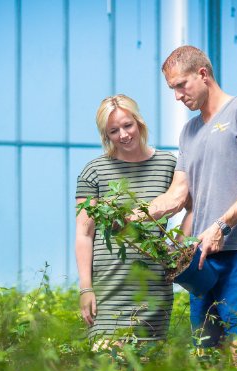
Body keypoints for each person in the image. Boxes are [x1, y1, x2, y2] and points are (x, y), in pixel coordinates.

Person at [146, 46, 237, 371]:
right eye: (172, 89)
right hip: (202, 257)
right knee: (207, 353)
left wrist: (222, 225)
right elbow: (177, 195)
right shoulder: (189, 132)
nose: (177, 96)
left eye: (181, 85)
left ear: (203, 74)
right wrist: (135, 214)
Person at [75, 94, 177, 349]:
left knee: (149, 370)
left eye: (127, 125)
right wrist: (86, 289)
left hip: (153, 287)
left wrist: (178, 250)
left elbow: (193, 206)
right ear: (105, 135)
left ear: (139, 122)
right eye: (113, 130)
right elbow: (84, 234)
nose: (123, 135)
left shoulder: (168, 165)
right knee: (108, 369)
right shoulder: (94, 171)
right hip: (108, 290)